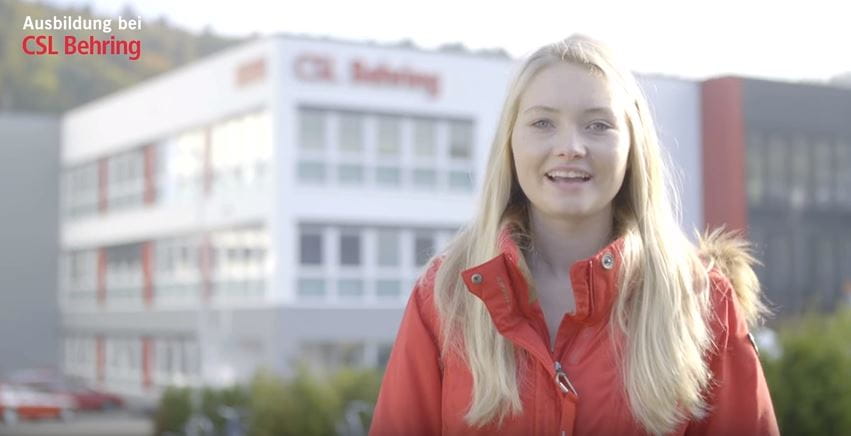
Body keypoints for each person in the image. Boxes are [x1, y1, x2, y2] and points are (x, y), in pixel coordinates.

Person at [369, 34, 779, 436]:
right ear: (510, 142)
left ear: (632, 145)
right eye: (543, 122)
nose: (570, 146)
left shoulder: (701, 300)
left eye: (598, 124)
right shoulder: (444, 297)